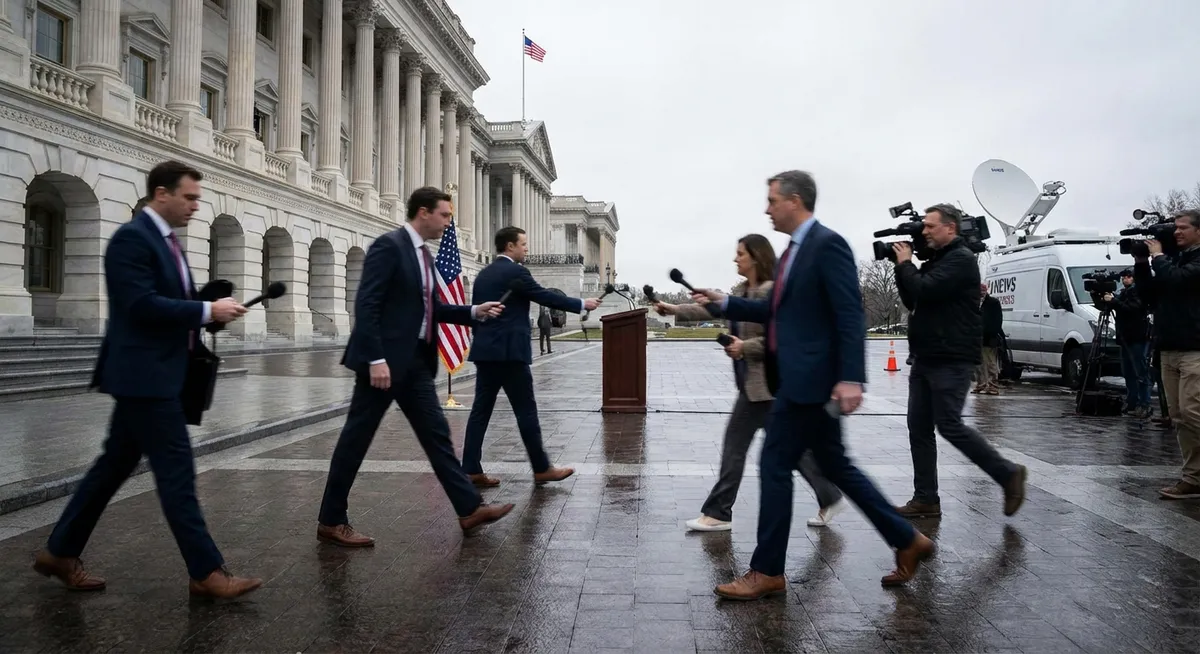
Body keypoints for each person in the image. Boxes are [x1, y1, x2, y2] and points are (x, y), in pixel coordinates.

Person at [693, 170, 934, 600]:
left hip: (812, 382)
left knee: (773, 462)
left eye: (772, 200)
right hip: (799, 381)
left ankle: (768, 570)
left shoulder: (827, 244)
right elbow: (778, 313)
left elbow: (849, 313)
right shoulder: (791, 255)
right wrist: (725, 302)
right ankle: (907, 539)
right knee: (837, 466)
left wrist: (851, 377)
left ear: (795, 201)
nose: (766, 209)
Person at [33, 161, 260, 599]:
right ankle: (206, 571)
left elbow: (170, 304)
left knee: (112, 467)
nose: (196, 205)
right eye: (189, 197)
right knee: (177, 473)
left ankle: (60, 552)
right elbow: (140, 305)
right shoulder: (131, 239)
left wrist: (210, 307)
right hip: (144, 376)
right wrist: (204, 311)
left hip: (157, 373)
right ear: (161, 194)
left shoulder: (167, 242)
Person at [317, 186, 511, 546]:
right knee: (355, 440)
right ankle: (331, 520)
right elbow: (368, 304)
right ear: (423, 212)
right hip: (384, 365)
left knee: (437, 437)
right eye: (445, 215)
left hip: (415, 363)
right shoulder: (389, 246)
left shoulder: (424, 255)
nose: (448, 222)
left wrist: (472, 311)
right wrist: (375, 359)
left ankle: (468, 509)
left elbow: (431, 309)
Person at [654, 234, 846, 532]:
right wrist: (675, 309)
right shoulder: (747, 290)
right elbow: (714, 309)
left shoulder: (768, 292)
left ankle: (718, 512)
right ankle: (829, 495)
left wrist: (745, 348)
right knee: (791, 449)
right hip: (757, 388)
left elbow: (780, 338)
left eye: (740, 253)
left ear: (756, 257)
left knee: (736, 447)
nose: (735, 259)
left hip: (765, 387)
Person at [891, 205, 1026, 520]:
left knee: (949, 424)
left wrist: (905, 263)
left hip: (951, 357)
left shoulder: (961, 260)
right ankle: (926, 498)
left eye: (930, 226)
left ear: (950, 228)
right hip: (927, 356)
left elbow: (924, 288)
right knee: (918, 428)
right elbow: (914, 298)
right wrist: (902, 268)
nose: (924, 231)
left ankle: (1008, 474)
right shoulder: (938, 260)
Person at [460, 226, 599, 487]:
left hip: (486, 352)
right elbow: (544, 296)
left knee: (480, 411)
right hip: (511, 355)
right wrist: (581, 304)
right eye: (523, 244)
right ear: (509, 246)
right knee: (526, 411)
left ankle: (470, 468)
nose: (527, 248)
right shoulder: (517, 272)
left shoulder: (483, 274)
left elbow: (477, 314)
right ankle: (542, 467)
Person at [1133, 209, 1200, 499]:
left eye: (1183, 227)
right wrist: (1141, 263)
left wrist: (1158, 256)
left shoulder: (1194, 261)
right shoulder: (1174, 260)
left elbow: (1177, 280)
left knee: (1193, 413)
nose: (1176, 232)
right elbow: (1149, 295)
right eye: (1175, 228)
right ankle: (1193, 478)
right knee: (1179, 417)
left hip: (1195, 348)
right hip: (1169, 348)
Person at [1099, 270, 1151, 417]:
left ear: (1134, 278)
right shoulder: (1124, 293)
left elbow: (1133, 309)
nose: (1124, 279)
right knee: (1128, 372)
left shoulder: (1138, 292)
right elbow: (1117, 307)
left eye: (1128, 277)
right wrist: (1108, 300)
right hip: (1125, 338)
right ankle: (1132, 402)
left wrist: (1114, 301)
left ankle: (1144, 403)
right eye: (1123, 277)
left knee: (1139, 371)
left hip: (1136, 337)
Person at [973, 283, 1004, 395]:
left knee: (990, 363)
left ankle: (993, 386)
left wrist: (992, 333)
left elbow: (998, 320)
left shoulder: (993, 303)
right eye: (979, 290)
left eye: (983, 290)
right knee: (978, 364)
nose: (981, 292)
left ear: (986, 291)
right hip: (976, 338)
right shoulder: (973, 303)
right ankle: (980, 384)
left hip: (989, 338)